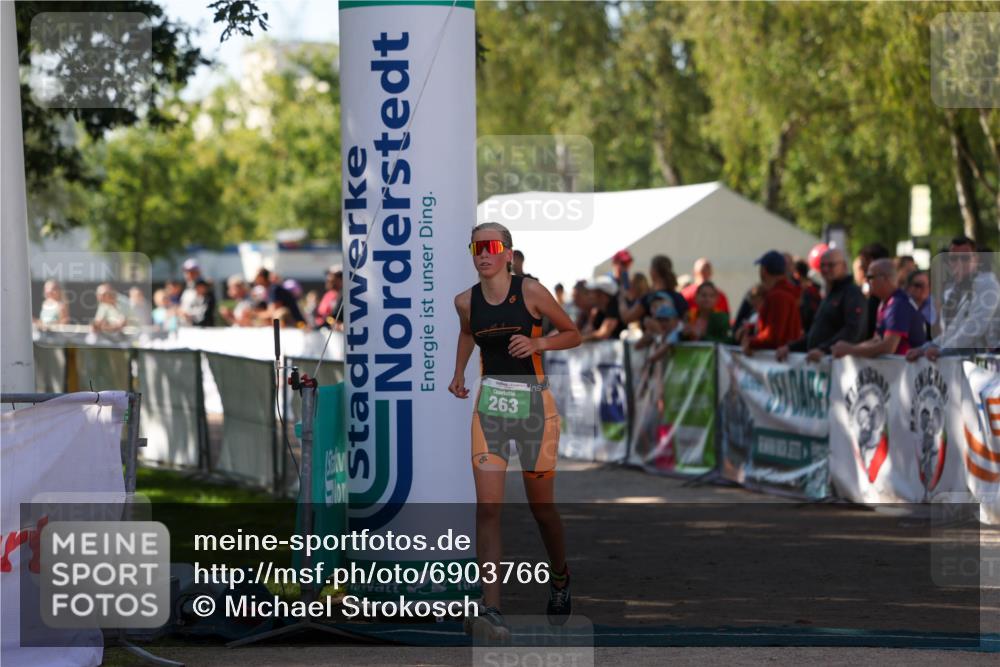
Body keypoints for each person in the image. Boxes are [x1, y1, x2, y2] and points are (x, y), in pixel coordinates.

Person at [449, 222, 581, 638]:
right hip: (490, 407)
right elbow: (468, 334)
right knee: (488, 507)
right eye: (476, 247)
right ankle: (491, 607)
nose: (483, 253)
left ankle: (559, 575)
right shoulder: (464, 301)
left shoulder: (532, 292)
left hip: (535, 409)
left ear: (508, 253)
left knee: (542, 509)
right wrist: (458, 373)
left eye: (491, 246)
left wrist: (538, 344)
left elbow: (573, 333)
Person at [906, 236, 1000, 361]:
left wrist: (942, 351)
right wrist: (923, 349)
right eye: (954, 258)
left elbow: (973, 328)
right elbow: (951, 333)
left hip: (987, 367)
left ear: (976, 259)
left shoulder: (988, 284)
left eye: (965, 258)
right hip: (965, 365)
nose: (959, 263)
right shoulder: (955, 290)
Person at [776, 248, 867, 362]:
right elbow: (816, 333)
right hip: (820, 366)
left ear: (843, 266)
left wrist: (824, 350)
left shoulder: (852, 293)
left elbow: (854, 331)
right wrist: (790, 347)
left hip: (838, 368)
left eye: (831, 265)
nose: (825, 269)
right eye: (822, 265)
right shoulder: (830, 294)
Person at [832, 259, 926, 358]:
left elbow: (888, 347)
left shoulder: (898, 304)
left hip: (908, 371)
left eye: (870, 277)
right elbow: (878, 340)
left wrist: (850, 350)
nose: (866, 280)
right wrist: (849, 348)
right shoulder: (886, 302)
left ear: (884, 278)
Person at [741, 251, 802, 354]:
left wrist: (750, 342)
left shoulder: (777, 296)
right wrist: (751, 328)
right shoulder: (783, 293)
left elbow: (773, 337)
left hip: (777, 363)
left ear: (763, 271)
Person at [618, 255, 688, 333]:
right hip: (675, 342)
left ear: (653, 271)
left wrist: (622, 297)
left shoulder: (649, 298)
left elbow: (627, 318)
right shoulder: (678, 297)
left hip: (655, 343)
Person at [858, 243, 890, 339]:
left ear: (871, 262)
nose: (860, 266)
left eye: (862, 261)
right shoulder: (882, 298)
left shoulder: (893, 301)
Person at [581, 276, 625, 342]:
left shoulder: (614, 307)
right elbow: (587, 331)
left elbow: (604, 334)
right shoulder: (597, 310)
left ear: (602, 294)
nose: (589, 295)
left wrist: (580, 339)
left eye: (592, 292)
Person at [905, 270, 934, 342]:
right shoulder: (902, 308)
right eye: (918, 285)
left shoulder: (933, 307)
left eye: (928, 284)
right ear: (908, 288)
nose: (925, 288)